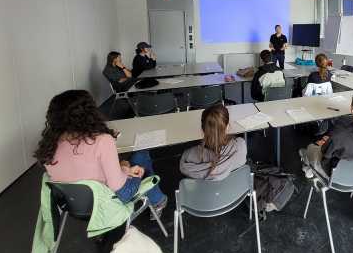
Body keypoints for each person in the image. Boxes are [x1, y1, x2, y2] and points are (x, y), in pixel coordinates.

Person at [35, 90, 167, 215]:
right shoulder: (102, 140)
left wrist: (122, 168)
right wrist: (126, 168)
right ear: (89, 113)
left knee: (128, 164)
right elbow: (120, 189)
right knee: (141, 155)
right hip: (105, 204)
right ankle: (158, 201)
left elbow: (84, 172)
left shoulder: (48, 146)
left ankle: (157, 200)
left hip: (72, 206)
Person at [300, 88, 353, 179]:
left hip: (337, 177)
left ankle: (308, 167)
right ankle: (310, 168)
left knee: (308, 149)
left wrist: (326, 143)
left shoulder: (341, 135)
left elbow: (325, 153)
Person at [179, 104, 247, 180]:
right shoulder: (241, 146)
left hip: (203, 191)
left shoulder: (189, 157)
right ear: (227, 127)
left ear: (202, 130)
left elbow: (183, 168)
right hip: (233, 190)